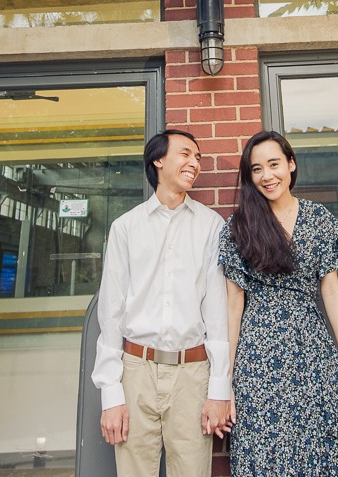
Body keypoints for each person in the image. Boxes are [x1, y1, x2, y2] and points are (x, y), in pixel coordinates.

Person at [219, 129, 338, 476]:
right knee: (265, 447)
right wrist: (225, 380)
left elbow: (330, 292)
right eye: (256, 169)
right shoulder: (239, 226)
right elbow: (233, 304)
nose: (267, 176)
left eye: (274, 164)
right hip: (258, 354)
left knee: (323, 442)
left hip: (311, 348)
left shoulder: (319, 219)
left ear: (291, 164)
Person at [92, 128, 233, 477]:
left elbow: (217, 313)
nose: (194, 163)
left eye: (198, 157)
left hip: (192, 373)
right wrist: (111, 393)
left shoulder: (212, 226)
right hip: (135, 370)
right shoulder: (125, 227)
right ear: (158, 160)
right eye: (185, 153)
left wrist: (219, 389)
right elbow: (111, 313)